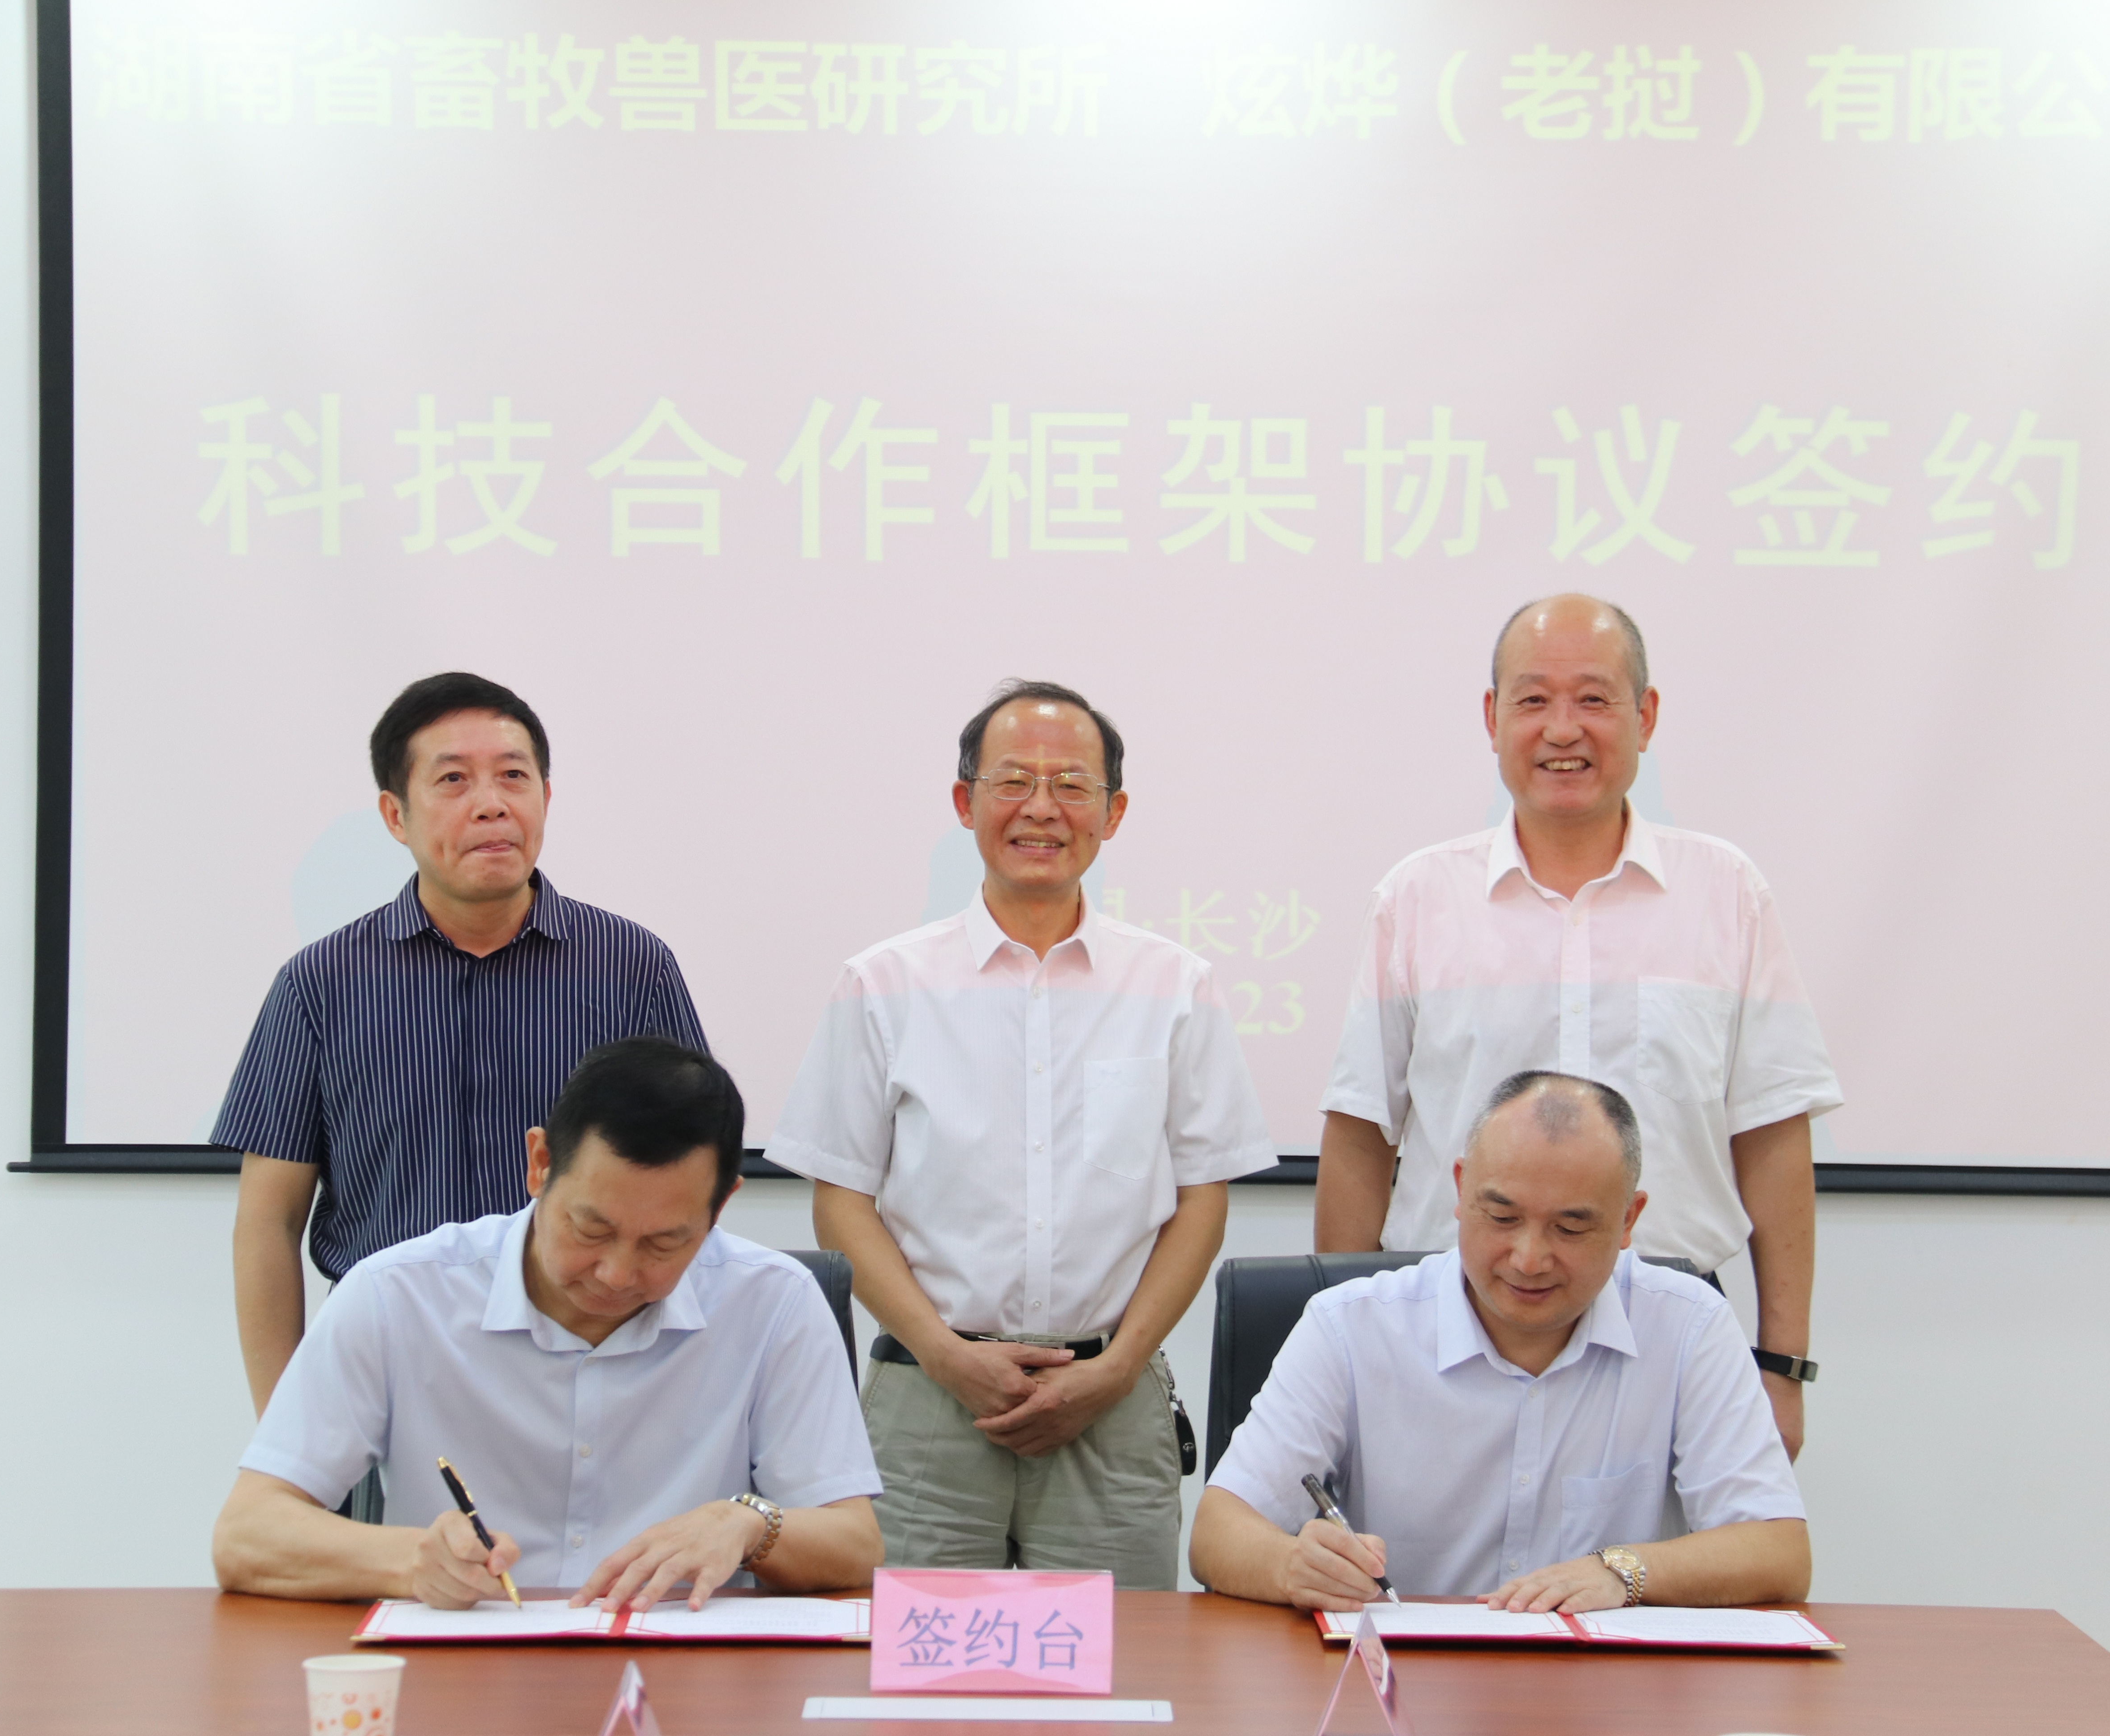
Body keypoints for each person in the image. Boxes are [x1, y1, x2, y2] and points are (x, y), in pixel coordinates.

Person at [765, 680, 1275, 1586]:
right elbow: (841, 1201)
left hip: (1110, 1400)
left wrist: (1116, 1369)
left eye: (1072, 785)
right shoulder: (882, 983)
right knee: (913, 1661)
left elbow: (1201, 1199)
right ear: (965, 802)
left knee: (1122, 1663)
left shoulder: (1175, 986)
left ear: (1113, 814)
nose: (1042, 808)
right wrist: (944, 1353)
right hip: (926, 1400)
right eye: (1014, 781)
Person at [1313, 595, 1840, 1455]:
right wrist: (1343, 1354)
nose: (1563, 729)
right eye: (1534, 700)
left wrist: (1781, 1364)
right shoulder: (1418, 898)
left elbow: (1774, 1133)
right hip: (1445, 1329)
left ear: (1646, 715)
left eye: (1594, 699)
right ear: (1492, 718)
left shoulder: (1727, 894)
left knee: (1669, 1548)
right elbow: (1361, 1133)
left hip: (1673, 1327)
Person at [212, 1037, 883, 1609]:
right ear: (540, 1164)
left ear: (722, 1205)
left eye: (665, 1243)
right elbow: (246, 1534)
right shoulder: (398, 1295)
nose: (617, 1273)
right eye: (592, 1229)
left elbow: (855, 1545)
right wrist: (411, 1560)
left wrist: (749, 1526)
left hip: (679, 1680)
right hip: (460, 1682)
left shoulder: (774, 1303)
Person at [212, 671, 707, 1420]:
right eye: (453, 780)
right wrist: (290, 1430)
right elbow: (267, 1223)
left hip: (596, 1367)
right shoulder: (320, 984)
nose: (492, 804)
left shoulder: (633, 968)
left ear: (546, 796)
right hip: (384, 1372)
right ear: (396, 814)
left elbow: (692, 1186)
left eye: (513, 776)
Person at [1193, 1072, 1809, 1612]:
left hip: (1604, 1686)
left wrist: (1621, 1570)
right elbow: (1218, 1531)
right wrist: (1292, 1566)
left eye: (1570, 1227)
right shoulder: (1351, 1326)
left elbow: (1779, 1551)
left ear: (1628, 1219)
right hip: (1402, 1682)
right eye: (1503, 1217)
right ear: (1461, 1191)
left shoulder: (1688, 1324)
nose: (1529, 1258)